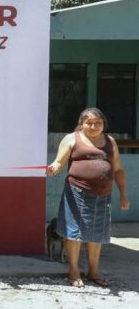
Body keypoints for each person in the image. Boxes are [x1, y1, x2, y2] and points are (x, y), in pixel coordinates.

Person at [46, 108, 130, 288]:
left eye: (98, 123)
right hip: (77, 193)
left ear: (103, 124)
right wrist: (53, 167)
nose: (93, 126)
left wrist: (123, 194)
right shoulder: (71, 138)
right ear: (81, 123)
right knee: (74, 232)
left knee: (96, 234)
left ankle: (93, 271)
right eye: (89, 123)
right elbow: (59, 161)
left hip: (102, 196)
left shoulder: (110, 142)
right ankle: (74, 271)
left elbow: (118, 169)